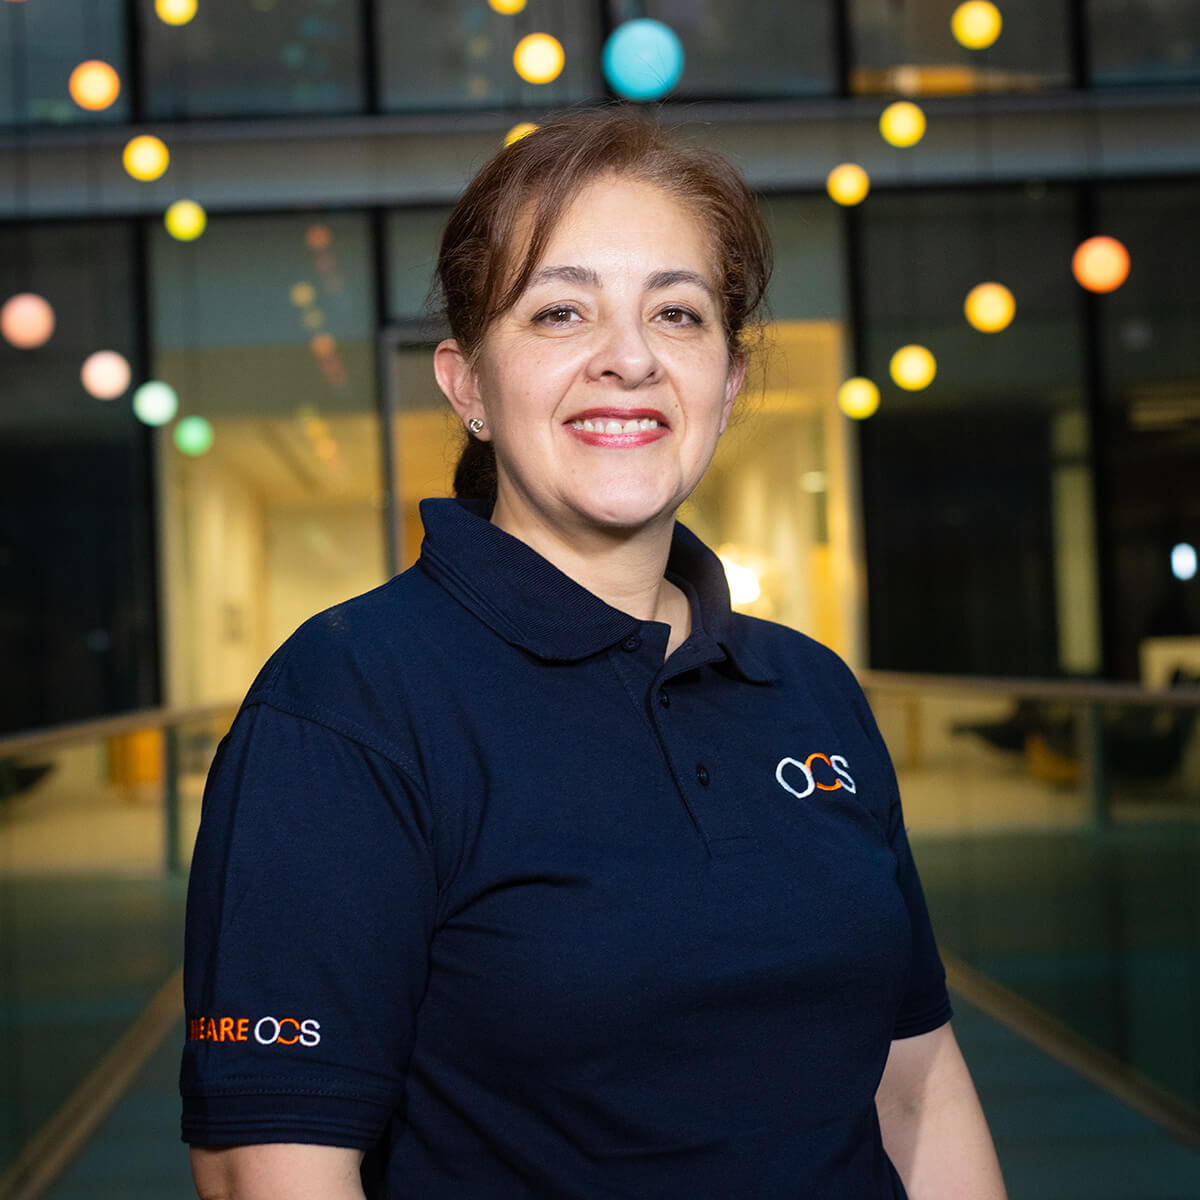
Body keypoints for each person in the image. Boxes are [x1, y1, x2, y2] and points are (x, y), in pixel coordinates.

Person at [181, 104, 1007, 1200]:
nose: (628, 359)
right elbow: (268, 1166)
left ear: (729, 382)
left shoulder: (810, 690)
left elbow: (917, 1081)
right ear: (468, 384)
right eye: (560, 311)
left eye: (677, 313)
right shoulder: (349, 701)